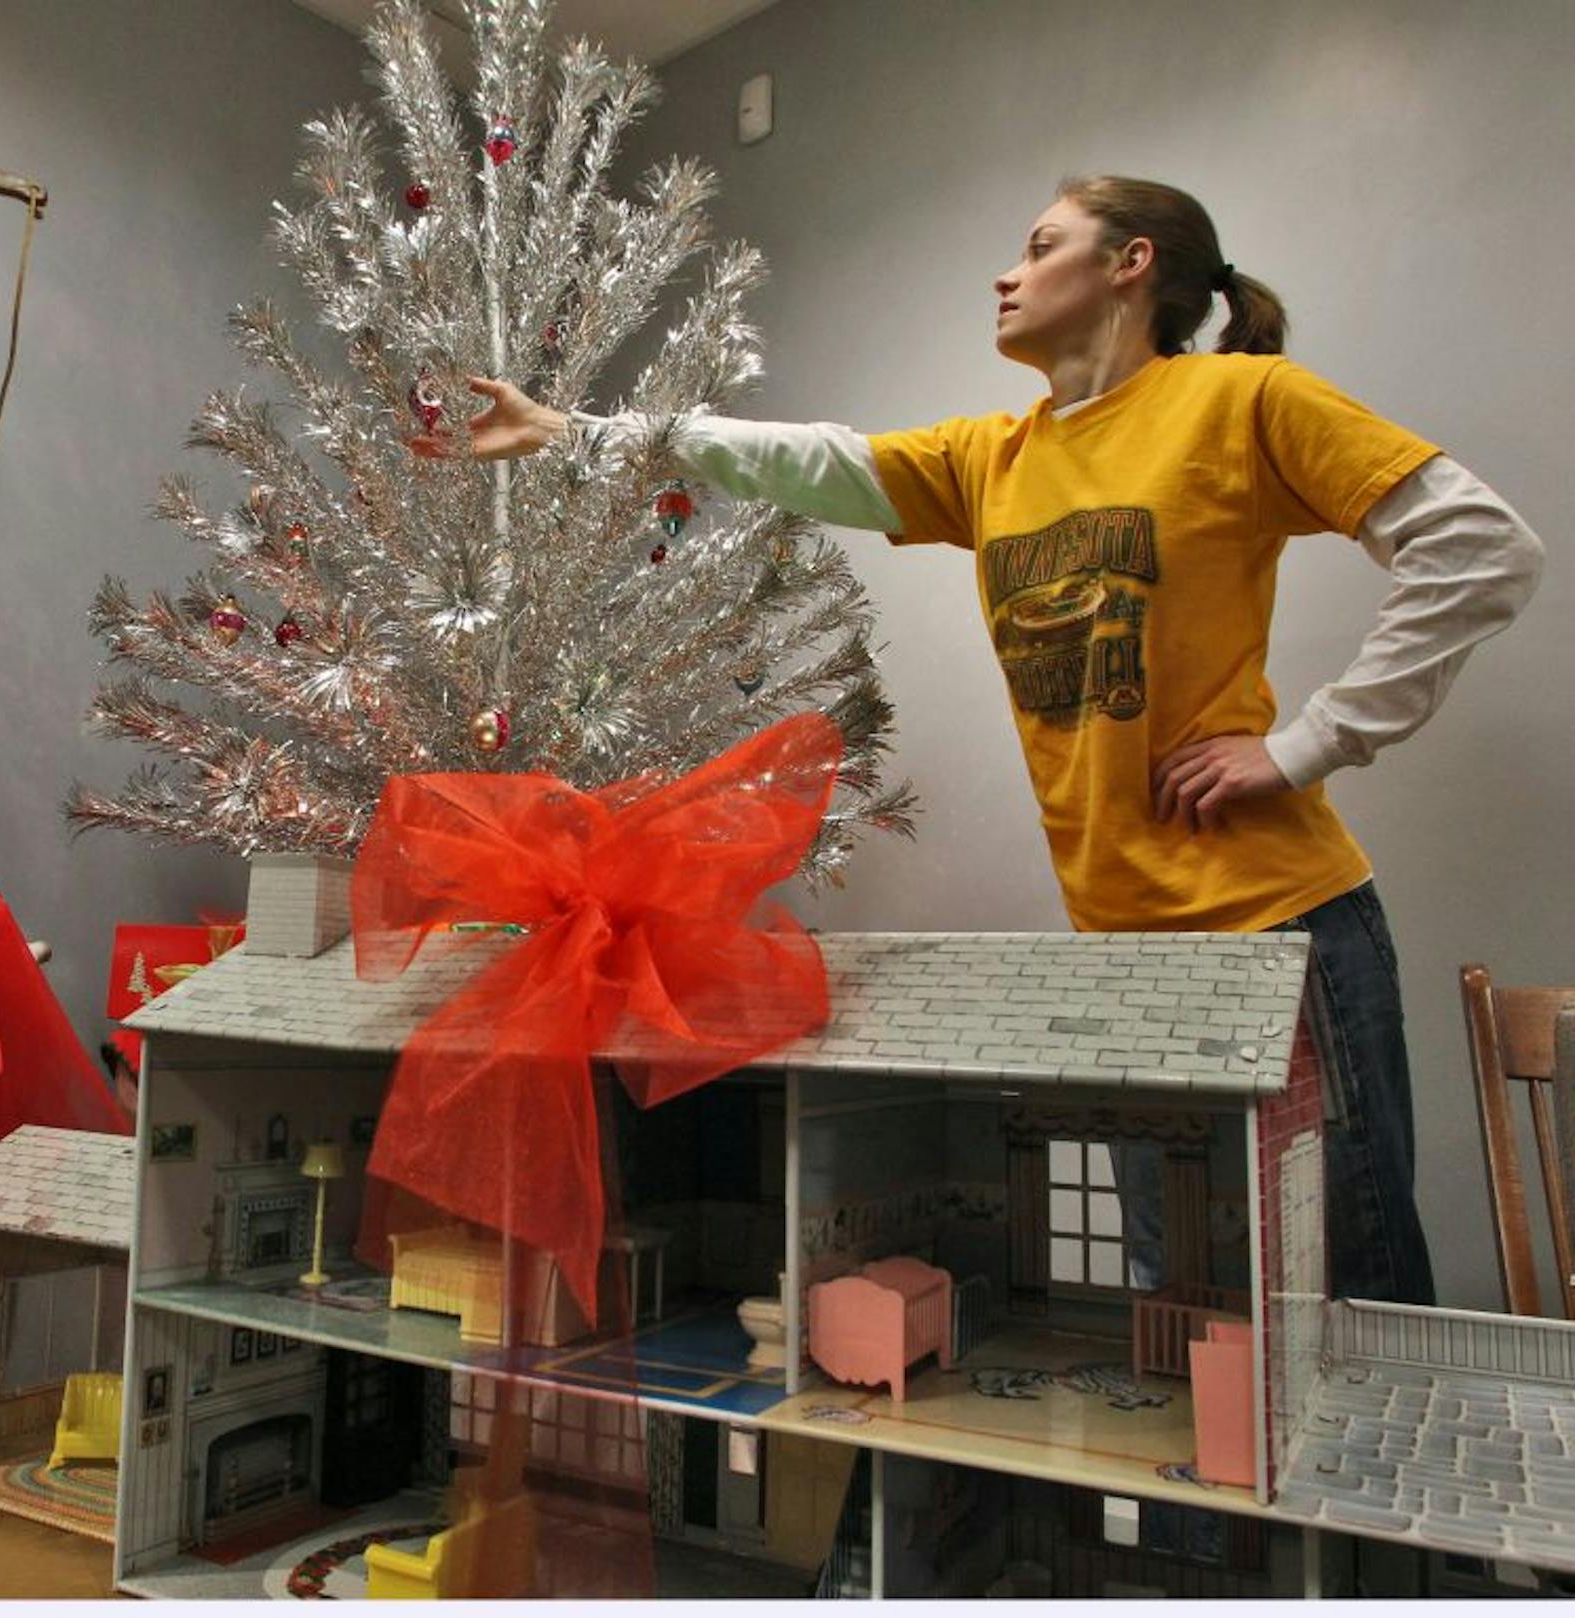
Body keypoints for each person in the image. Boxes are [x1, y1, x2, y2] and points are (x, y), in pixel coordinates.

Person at [424, 175, 1544, 1306]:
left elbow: (1480, 547)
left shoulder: (1239, 400)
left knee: (1343, 1294)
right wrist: (577, 432)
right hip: (1125, 952)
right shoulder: (990, 461)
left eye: (1041, 245)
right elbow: (800, 458)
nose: (1007, 273)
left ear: (1132, 263)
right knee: (1180, 1313)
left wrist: (1306, 745)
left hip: (1281, 933)